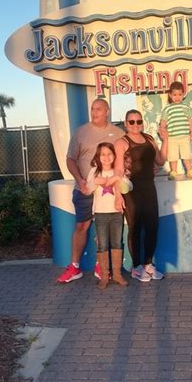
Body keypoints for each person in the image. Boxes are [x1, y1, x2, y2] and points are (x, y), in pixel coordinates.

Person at [57, 99, 124, 283]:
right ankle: (75, 267)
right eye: (92, 109)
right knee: (81, 227)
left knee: (103, 229)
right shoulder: (81, 132)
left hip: (107, 192)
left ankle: (100, 266)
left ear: (107, 111)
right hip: (85, 190)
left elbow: (123, 163)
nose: (94, 112)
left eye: (99, 109)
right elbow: (70, 160)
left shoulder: (118, 134)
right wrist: (80, 180)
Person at [114, 109, 168, 283]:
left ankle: (148, 264)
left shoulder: (150, 139)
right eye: (131, 122)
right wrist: (117, 196)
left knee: (152, 226)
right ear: (125, 124)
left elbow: (160, 161)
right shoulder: (121, 142)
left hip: (149, 188)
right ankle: (136, 267)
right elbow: (118, 171)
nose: (135, 125)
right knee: (135, 228)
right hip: (131, 191)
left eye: (138, 121)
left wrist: (165, 139)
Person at [86, 142, 131, 289]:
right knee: (103, 244)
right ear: (98, 157)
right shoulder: (94, 171)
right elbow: (87, 189)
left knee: (116, 243)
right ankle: (105, 276)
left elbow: (128, 188)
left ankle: (117, 274)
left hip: (116, 213)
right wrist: (95, 182)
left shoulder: (118, 171)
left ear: (114, 155)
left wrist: (119, 179)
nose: (106, 157)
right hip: (100, 214)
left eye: (109, 154)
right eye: (103, 154)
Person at [160, 80, 192, 180]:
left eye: (180, 94)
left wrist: (191, 132)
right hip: (172, 137)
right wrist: (162, 129)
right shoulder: (167, 109)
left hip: (184, 136)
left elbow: (189, 121)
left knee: (186, 154)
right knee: (173, 156)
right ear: (170, 95)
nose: (177, 97)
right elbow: (163, 121)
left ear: (183, 95)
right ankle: (173, 172)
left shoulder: (186, 107)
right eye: (175, 95)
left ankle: (189, 171)